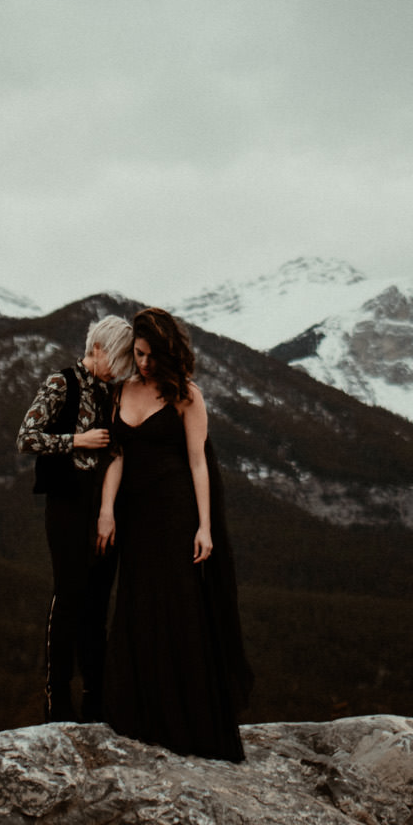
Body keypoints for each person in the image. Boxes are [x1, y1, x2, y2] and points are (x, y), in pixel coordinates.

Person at [97, 305, 253, 761]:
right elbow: (116, 456)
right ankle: (141, 713)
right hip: (135, 516)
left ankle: (186, 722)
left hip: (177, 513)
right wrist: (106, 510)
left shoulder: (187, 396)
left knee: (179, 608)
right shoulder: (122, 390)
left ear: (167, 353)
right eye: (138, 354)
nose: (143, 363)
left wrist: (205, 527)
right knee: (138, 602)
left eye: (150, 355)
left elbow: (198, 462)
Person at [16, 315, 133, 722]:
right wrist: (76, 441)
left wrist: (108, 512)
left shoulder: (114, 394)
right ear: (98, 348)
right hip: (65, 502)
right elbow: (26, 437)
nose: (120, 368)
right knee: (69, 594)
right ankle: (57, 694)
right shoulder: (60, 383)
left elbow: (119, 453)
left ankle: (96, 695)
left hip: (103, 507)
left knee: (98, 600)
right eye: (117, 358)